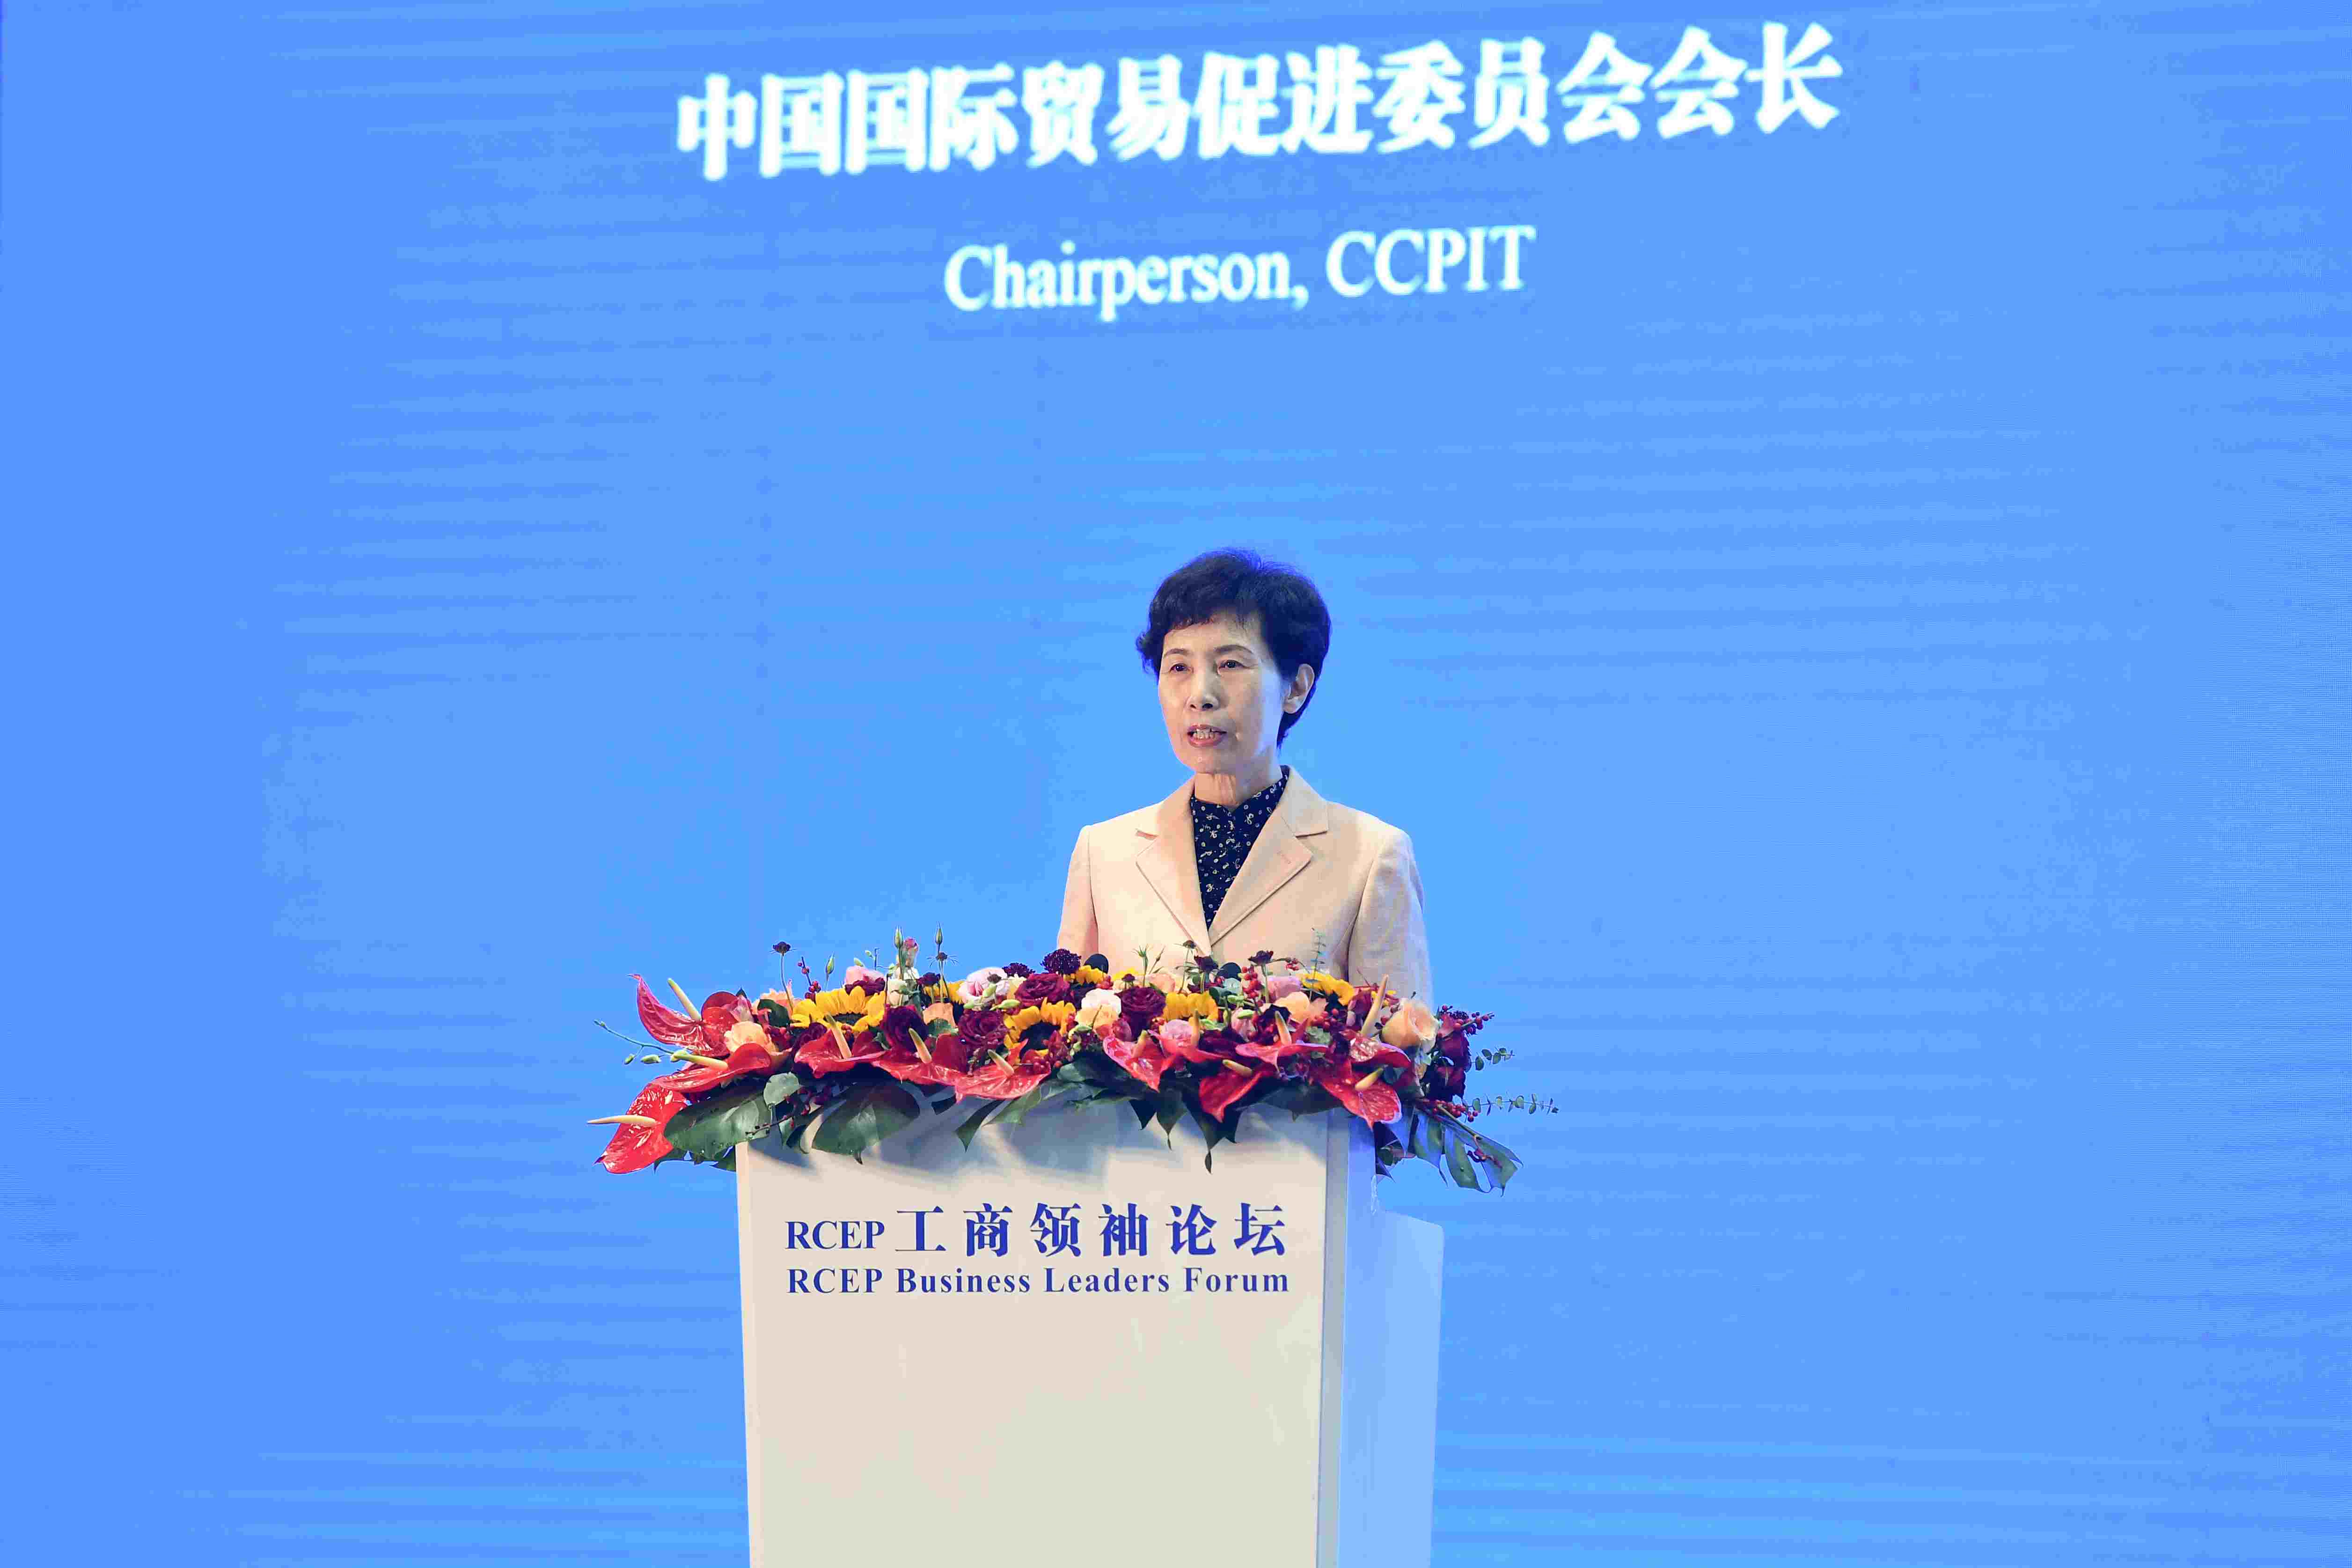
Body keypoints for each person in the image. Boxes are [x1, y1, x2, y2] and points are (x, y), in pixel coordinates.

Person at [1057, 548, 1432, 1005]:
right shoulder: (1103, 852)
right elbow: (1067, 1036)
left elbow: (1402, 1042)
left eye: (1230, 664)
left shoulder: (1371, 857)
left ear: (1295, 687)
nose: (1200, 695)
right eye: (1179, 667)